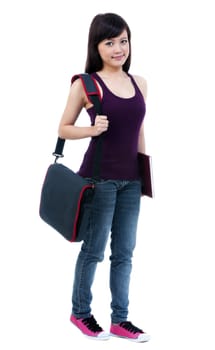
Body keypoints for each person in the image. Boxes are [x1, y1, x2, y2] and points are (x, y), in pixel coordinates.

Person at [58, 12, 150, 342]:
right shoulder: (85, 84)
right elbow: (63, 128)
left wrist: (144, 178)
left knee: (124, 253)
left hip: (130, 182)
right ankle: (80, 313)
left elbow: (139, 132)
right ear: (96, 46)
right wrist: (90, 129)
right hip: (99, 181)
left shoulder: (139, 83)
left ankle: (120, 320)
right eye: (109, 42)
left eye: (123, 41)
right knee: (94, 251)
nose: (118, 48)